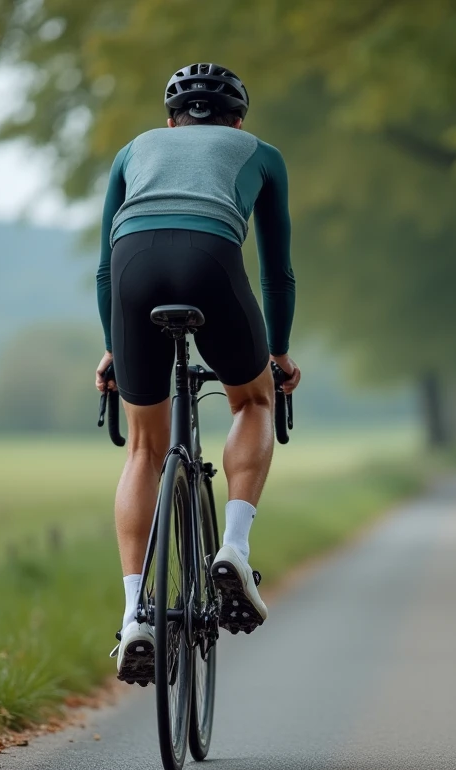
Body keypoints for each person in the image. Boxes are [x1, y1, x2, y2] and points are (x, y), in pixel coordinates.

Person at [93, 63, 300, 683]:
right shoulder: (261, 154)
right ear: (239, 119)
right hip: (212, 259)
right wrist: (279, 354)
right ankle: (232, 550)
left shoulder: (134, 150)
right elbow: (276, 271)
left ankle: (135, 617)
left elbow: (104, 270)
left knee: (143, 448)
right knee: (252, 402)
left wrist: (112, 347)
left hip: (133, 267)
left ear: (170, 120)